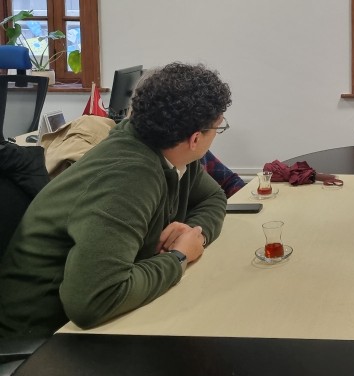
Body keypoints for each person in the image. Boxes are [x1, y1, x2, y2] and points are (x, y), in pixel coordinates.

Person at [0, 63, 231, 339]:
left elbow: (213, 198)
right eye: (218, 127)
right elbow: (93, 300)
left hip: (94, 318)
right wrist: (178, 257)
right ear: (195, 139)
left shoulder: (170, 150)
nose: (216, 133)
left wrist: (194, 234)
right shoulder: (128, 177)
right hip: (43, 336)